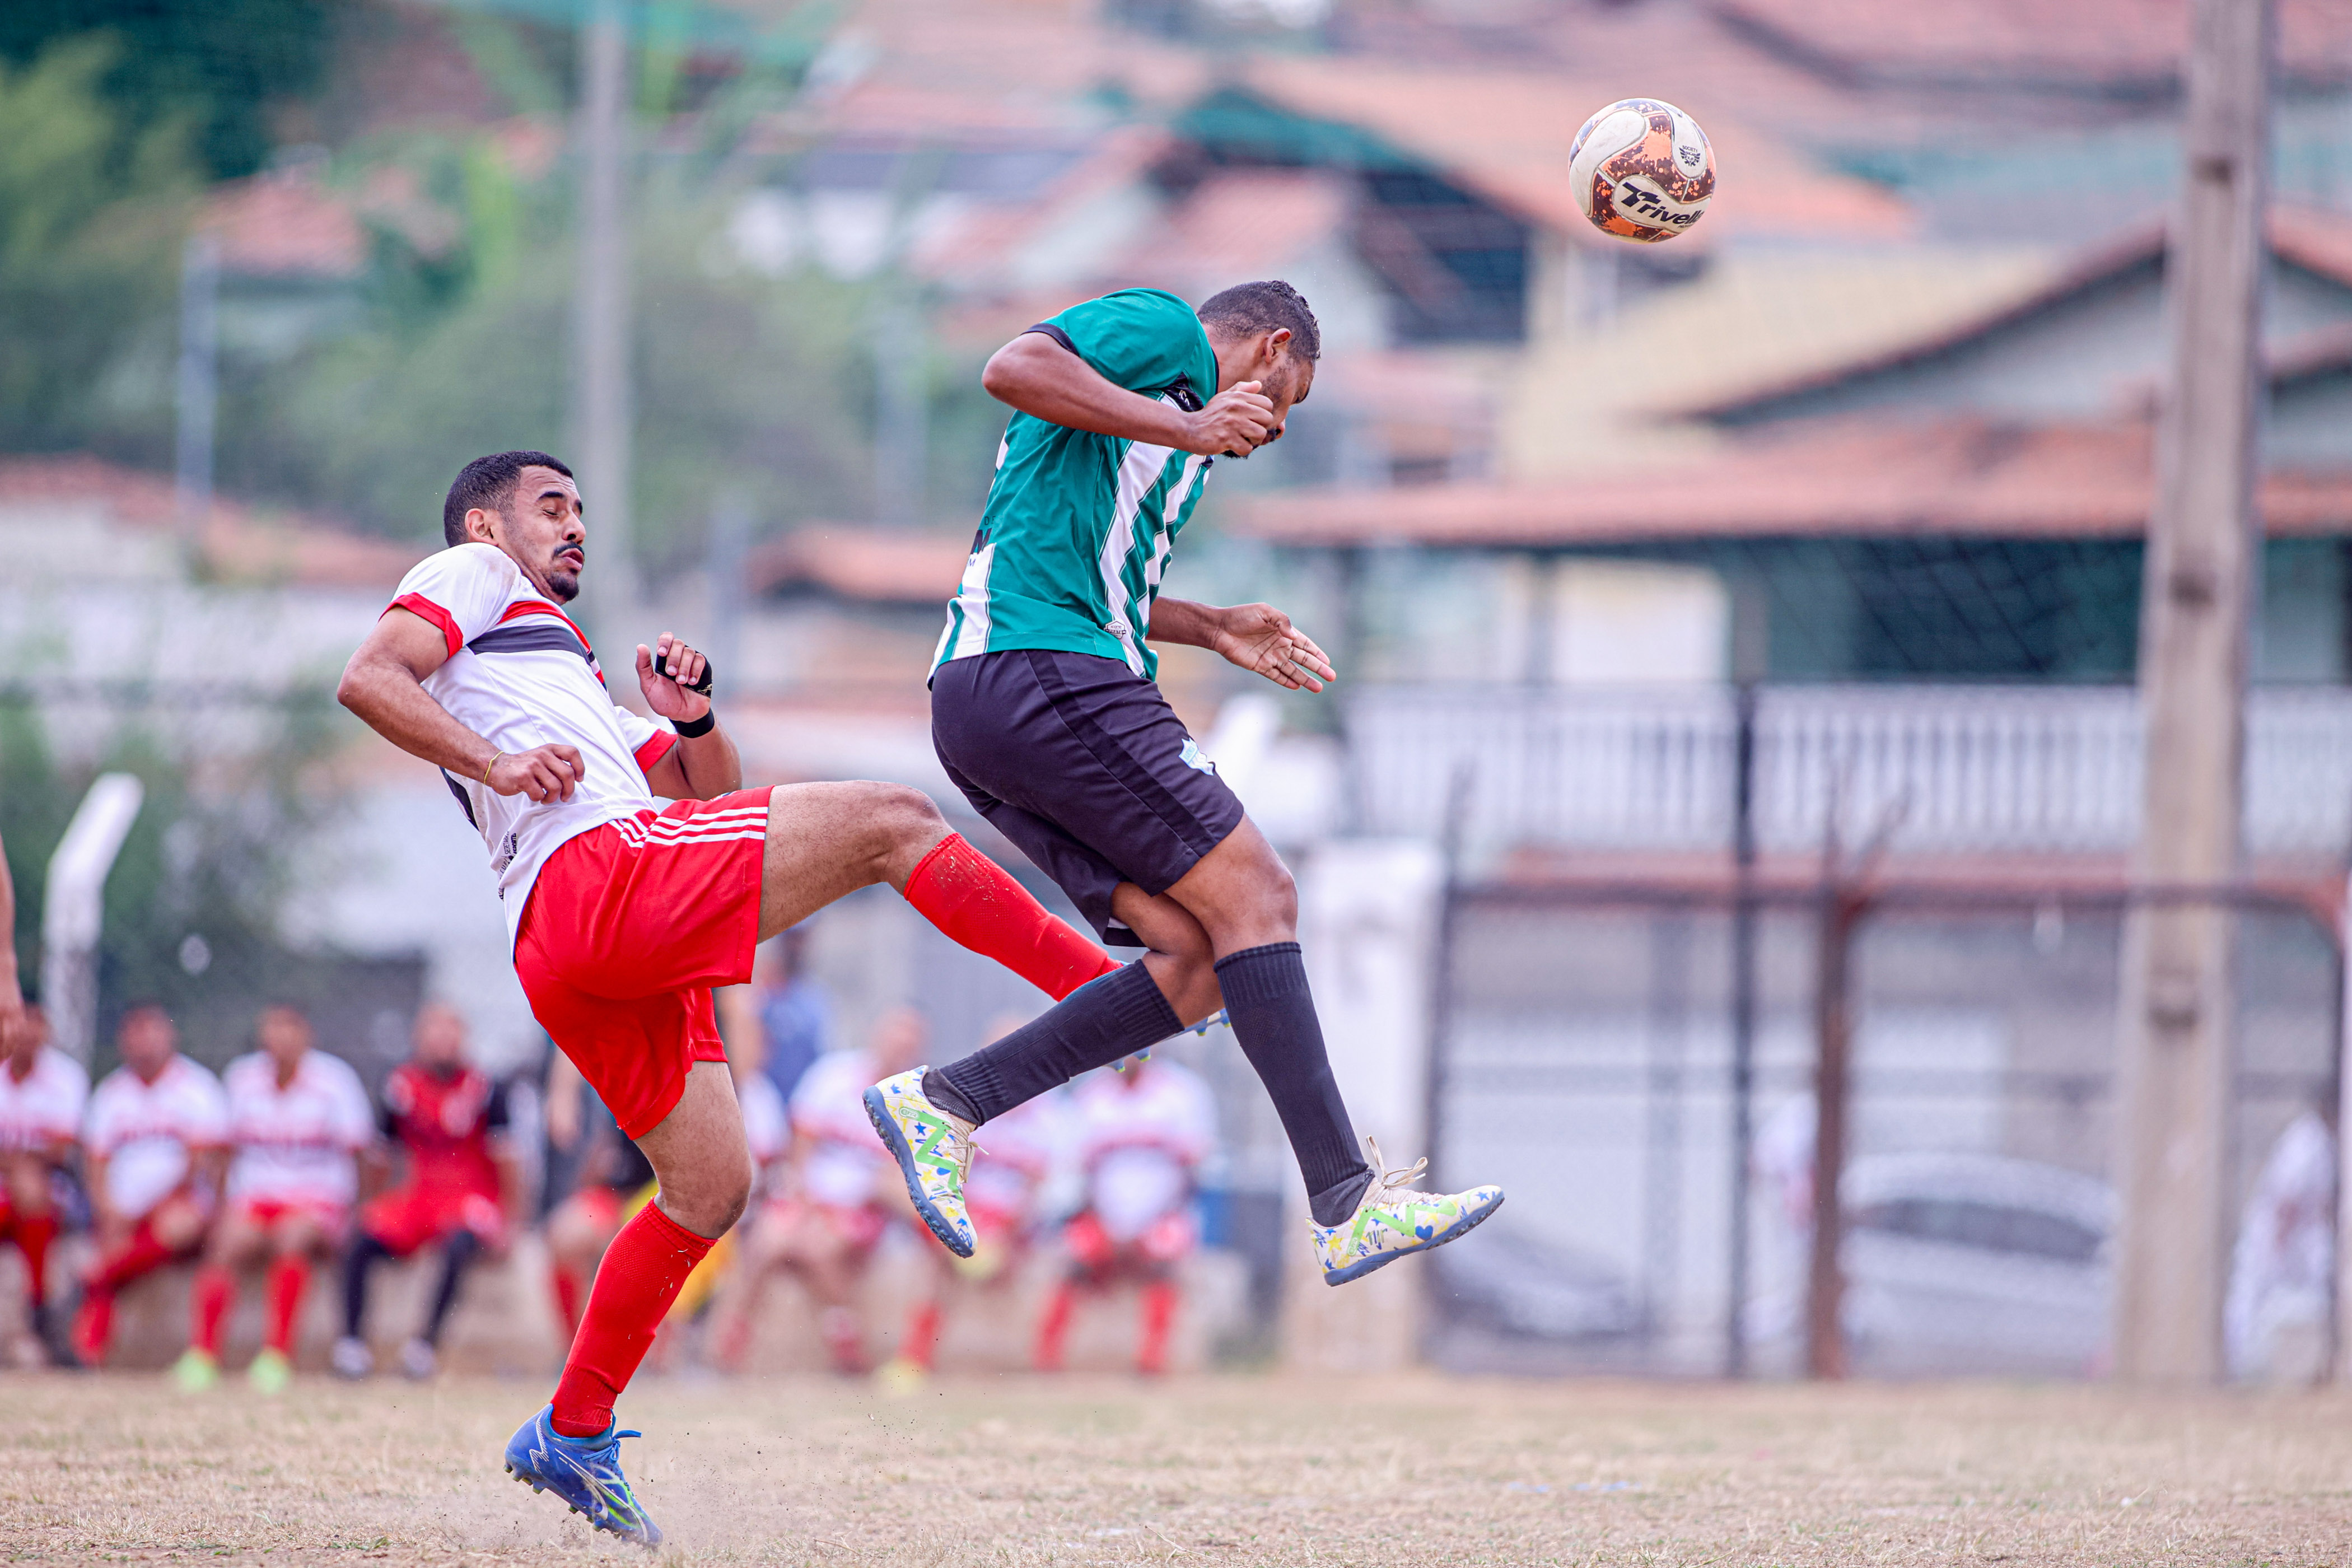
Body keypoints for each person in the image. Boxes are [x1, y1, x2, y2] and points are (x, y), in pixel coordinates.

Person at [334, 450, 1126, 1543]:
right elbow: (371, 675)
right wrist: (499, 764)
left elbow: (720, 804)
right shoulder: (474, 577)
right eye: (549, 507)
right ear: (483, 524)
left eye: (580, 510)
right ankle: (1109, 992)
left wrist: (693, 723)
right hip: (594, 879)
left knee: (712, 1185)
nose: (573, 527)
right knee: (896, 816)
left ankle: (572, 1428)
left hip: (570, 940)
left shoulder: (571, 676)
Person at [866, 282, 1502, 1290]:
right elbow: (1012, 368)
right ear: (1272, 347)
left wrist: (1209, 626)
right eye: (1285, 402)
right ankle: (1348, 1202)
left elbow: (1090, 569)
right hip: (1045, 671)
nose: (1275, 431)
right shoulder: (1170, 340)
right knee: (1265, 897)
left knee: (1205, 956)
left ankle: (948, 1104)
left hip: (1006, 688)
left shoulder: (1166, 432)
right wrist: (1191, 420)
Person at [714, 1009, 926, 1375]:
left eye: (908, 1044)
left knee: (816, 1248)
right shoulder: (835, 1076)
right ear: (878, 1036)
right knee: (767, 1241)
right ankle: (732, 1349)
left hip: (863, 1210)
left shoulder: (916, 1104)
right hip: (809, 1197)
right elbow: (800, 1149)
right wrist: (804, 1200)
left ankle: (846, 1348)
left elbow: (897, 1182)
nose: (898, 1049)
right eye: (895, 1037)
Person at [176, 1005, 374, 1393]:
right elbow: (223, 1152)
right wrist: (218, 1207)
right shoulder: (242, 1078)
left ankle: (277, 1355)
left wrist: (356, 1213)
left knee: (291, 1237)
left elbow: (363, 1154)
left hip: (318, 1200)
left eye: (290, 1031)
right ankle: (202, 1355)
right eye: (273, 1031)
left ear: (306, 1037)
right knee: (226, 1244)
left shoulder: (334, 1082)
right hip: (257, 1197)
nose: (281, 1041)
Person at [334, 1002, 522, 1382]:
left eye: (450, 1031)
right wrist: (371, 1203)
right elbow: (382, 1155)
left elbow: (508, 1160)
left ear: (463, 1038)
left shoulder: (485, 1089)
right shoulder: (401, 1085)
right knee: (360, 1237)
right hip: (420, 1194)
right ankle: (352, 1346)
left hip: (472, 1196)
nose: (443, 1041)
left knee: (457, 1246)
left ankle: (423, 1348)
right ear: (418, 1038)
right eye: (434, 1031)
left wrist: (512, 1222)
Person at [878, 1014, 1063, 1388]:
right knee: (936, 1242)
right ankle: (915, 1359)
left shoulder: (1049, 1115)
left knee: (948, 1263)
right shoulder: (961, 1102)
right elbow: (938, 1169)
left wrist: (1008, 1230)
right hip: (965, 1209)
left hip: (1011, 1225)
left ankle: (915, 1359)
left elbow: (1042, 1190)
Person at [1033, 1054, 1215, 1378]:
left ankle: (1151, 1362)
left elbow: (1196, 1172)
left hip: (1163, 1215)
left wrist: (1147, 1225)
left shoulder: (1183, 1092)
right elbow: (1075, 1174)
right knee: (1073, 1261)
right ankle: (1047, 1359)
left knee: (1164, 1264)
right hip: (1102, 1216)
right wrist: (1106, 1225)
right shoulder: (1090, 1096)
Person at [72, 1005, 229, 1366]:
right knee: (112, 1238)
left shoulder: (197, 1087)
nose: (144, 1042)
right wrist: (107, 1209)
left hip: (177, 1206)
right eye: (135, 1032)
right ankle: (86, 1354)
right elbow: (95, 1163)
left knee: (174, 1225)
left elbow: (199, 1163)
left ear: (169, 1035)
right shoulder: (111, 1092)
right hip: (124, 1213)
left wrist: (142, 1211)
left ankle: (95, 1278)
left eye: (152, 1031)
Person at [0, 997, 87, 1365]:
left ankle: (41, 1308)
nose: (27, 1033)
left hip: (50, 1195)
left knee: (31, 1186)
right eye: (20, 1022)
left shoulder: (66, 1077)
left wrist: (17, 1163)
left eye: (36, 1023)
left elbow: (60, 1151)